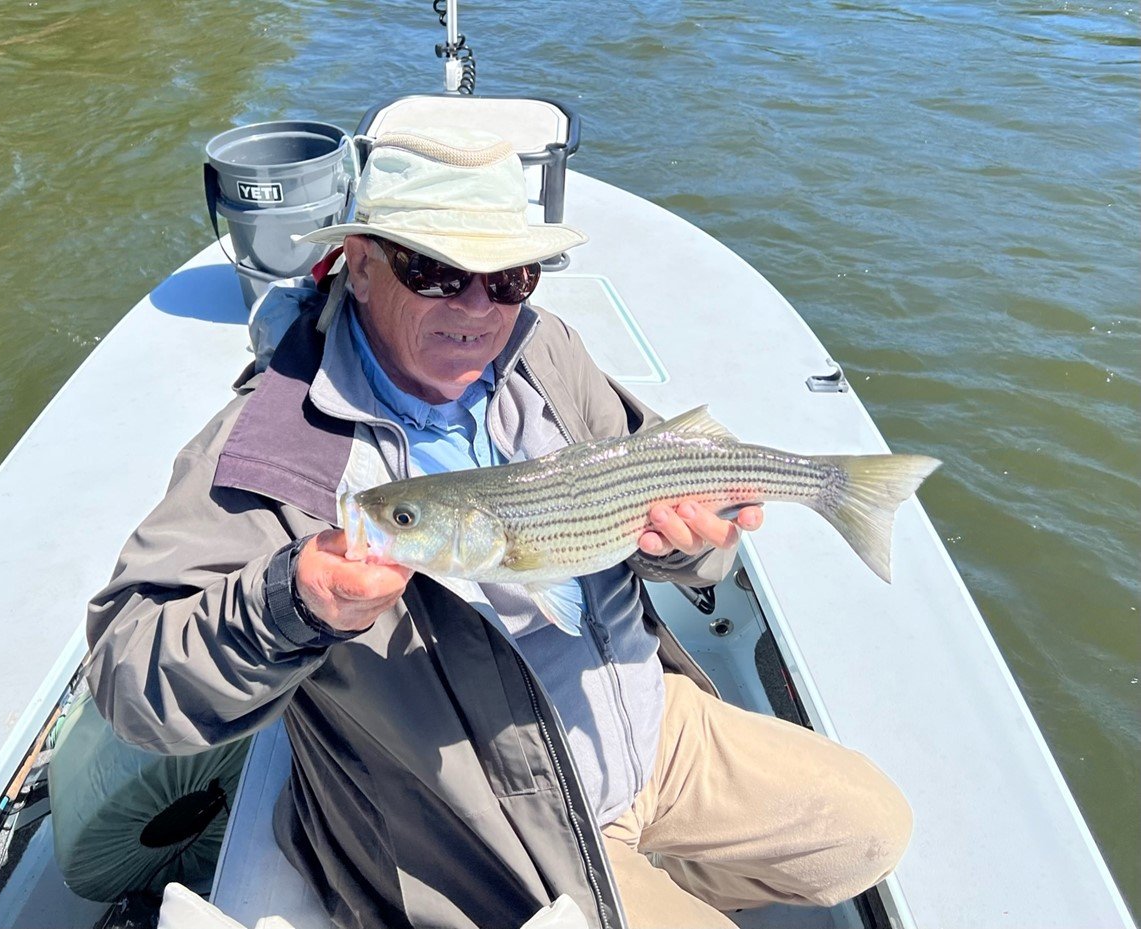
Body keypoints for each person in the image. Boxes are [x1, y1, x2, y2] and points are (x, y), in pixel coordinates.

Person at [86, 127, 911, 929]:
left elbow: (656, 482)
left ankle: (650, 872)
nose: (479, 308)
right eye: (436, 271)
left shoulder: (542, 348)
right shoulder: (270, 447)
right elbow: (129, 680)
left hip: (640, 717)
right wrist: (291, 603)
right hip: (481, 825)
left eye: (509, 277)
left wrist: (691, 548)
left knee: (868, 833)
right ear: (361, 266)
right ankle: (618, 883)